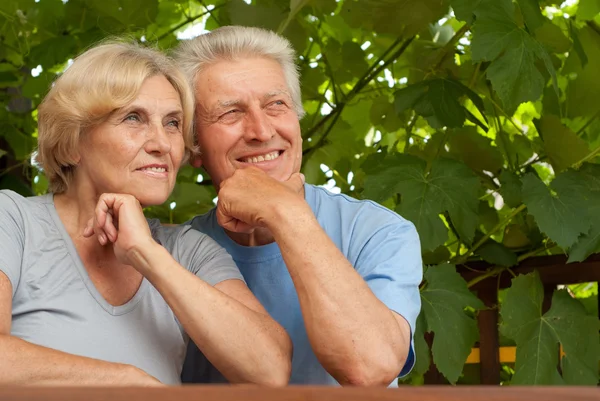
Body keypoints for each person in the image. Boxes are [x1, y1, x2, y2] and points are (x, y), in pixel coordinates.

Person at [0, 41, 292, 386]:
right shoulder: (13, 219)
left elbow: (269, 370)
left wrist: (148, 256)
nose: (162, 143)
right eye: (133, 118)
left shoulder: (188, 251)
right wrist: (125, 382)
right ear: (73, 142)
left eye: (172, 123)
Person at [175, 26, 423, 386]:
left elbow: (369, 368)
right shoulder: (174, 254)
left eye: (276, 104)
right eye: (230, 113)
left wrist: (284, 213)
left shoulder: (378, 231)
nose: (261, 130)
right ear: (194, 145)